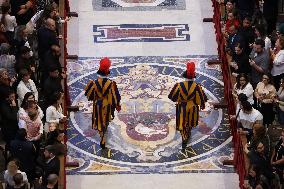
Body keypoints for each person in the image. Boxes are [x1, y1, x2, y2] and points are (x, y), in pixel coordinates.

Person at [168, 62, 207, 150]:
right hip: (192, 107)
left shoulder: (178, 85)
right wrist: (201, 105)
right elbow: (201, 99)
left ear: (184, 76)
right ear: (193, 77)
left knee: (182, 122)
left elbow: (172, 97)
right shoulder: (197, 86)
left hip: (181, 107)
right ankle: (187, 133)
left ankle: (184, 137)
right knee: (189, 122)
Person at [84, 57, 121, 149]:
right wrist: (117, 105)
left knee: (99, 120)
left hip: (97, 105)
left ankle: (102, 137)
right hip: (107, 105)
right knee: (106, 120)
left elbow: (89, 96)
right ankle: (103, 136)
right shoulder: (112, 84)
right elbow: (116, 97)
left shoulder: (93, 83)